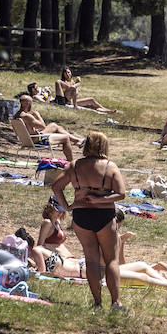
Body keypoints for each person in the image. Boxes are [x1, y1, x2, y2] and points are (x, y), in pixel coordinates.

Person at [48, 131, 127, 310]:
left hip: (81, 215)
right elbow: (121, 194)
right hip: (104, 216)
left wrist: (67, 207)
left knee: (91, 260)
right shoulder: (110, 166)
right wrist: (100, 199)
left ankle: (97, 302)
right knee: (111, 260)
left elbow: (56, 187)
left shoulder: (74, 166)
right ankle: (116, 302)